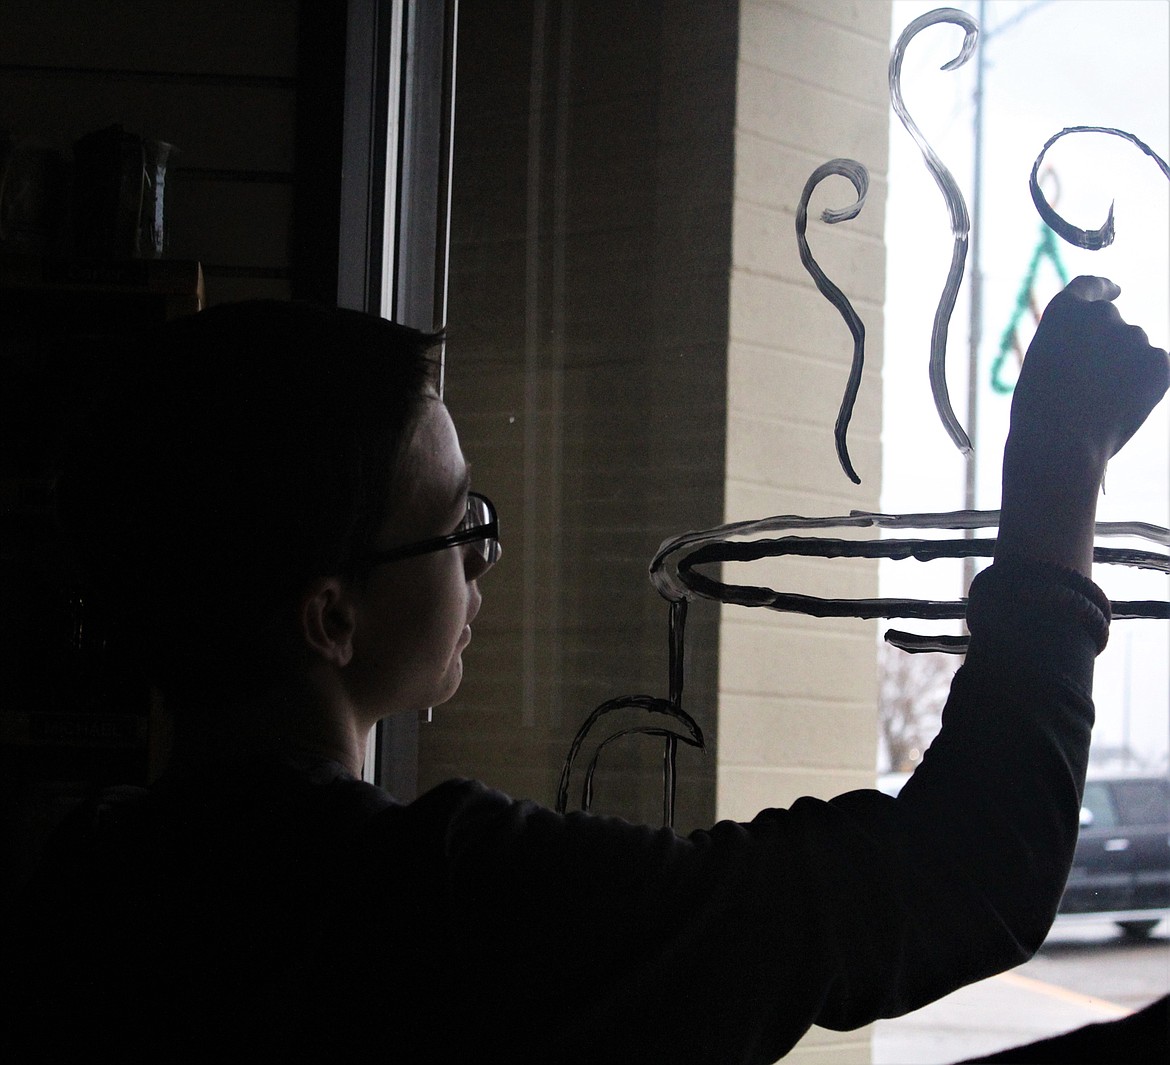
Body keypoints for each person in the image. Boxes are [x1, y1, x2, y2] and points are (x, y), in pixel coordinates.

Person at [2, 277, 1166, 1063]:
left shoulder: (87, 885)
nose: (485, 560)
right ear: (330, 619)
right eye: (458, 528)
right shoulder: (423, 909)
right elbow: (967, 876)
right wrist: (1059, 472)